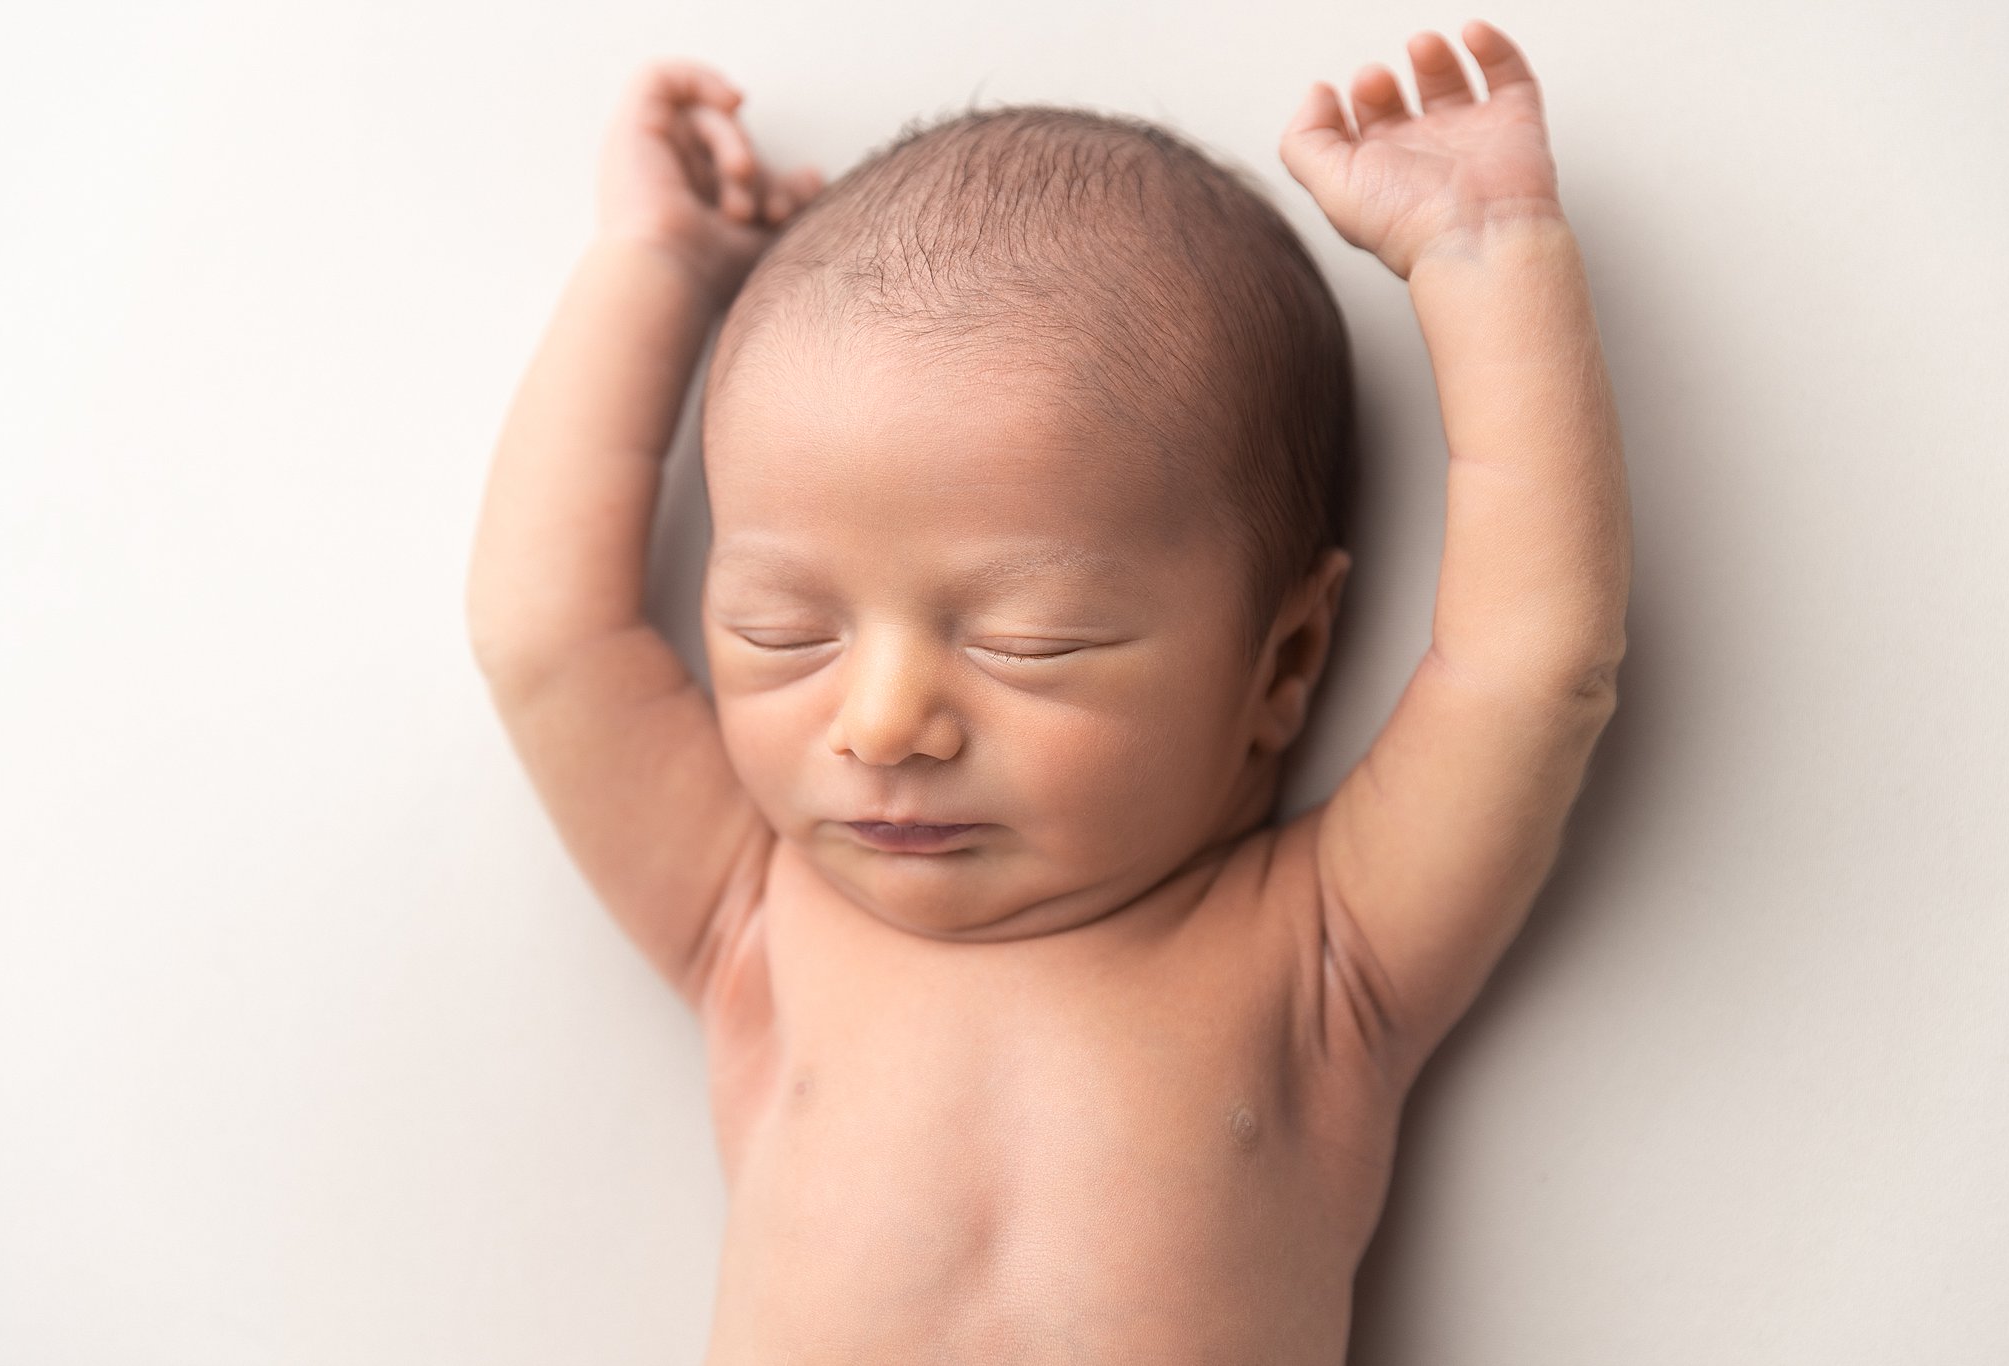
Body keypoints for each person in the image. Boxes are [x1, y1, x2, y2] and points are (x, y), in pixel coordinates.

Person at [466, 18, 1630, 1359]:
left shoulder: (1325, 951)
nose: (883, 723)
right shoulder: (754, 922)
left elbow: (1532, 668)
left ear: (1286, 661)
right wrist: (652, 268)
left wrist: (1492, 259)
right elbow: (547, 638)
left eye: (1030, 642)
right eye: (784, 634)